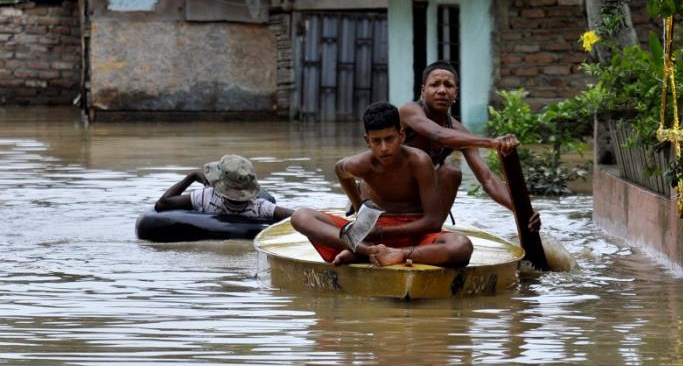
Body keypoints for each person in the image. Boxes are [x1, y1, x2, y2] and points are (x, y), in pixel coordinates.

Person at [290, 101, 473, 267]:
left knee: (461, 246)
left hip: (415, 236)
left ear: (401, 135)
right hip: (370, 237)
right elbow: (340, 170)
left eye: (389, 139)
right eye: (376, 141)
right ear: (367, 141)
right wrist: (360, 209)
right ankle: (366, 252)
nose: (384, 148)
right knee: (301, 216)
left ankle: (396, 254)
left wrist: (384, 232)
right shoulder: (361, 163)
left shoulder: (419, 161)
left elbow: (433, 222)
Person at [399, 61, 540, 230]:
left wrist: (521, 210)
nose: (442, 90)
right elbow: (437, 134)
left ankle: (430, 232)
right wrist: (492, 142)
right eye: (435, 85)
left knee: (451, 173)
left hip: (423, 201)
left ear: (455, 93)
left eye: (448, 85)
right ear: (423, 91)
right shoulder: (409, 111)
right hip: (391, 191)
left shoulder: (460, 132)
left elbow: (487, 179)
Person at [154, 154, 293, 221]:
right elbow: (294, 216)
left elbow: (162, 204)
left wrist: (191, 177)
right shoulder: (260, 207)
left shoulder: (206, 197)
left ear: (219, 183)